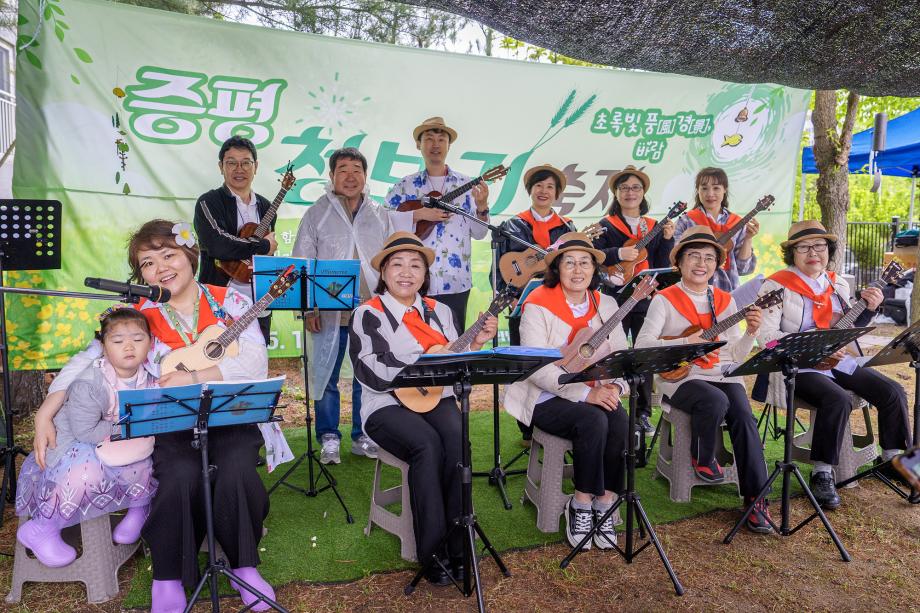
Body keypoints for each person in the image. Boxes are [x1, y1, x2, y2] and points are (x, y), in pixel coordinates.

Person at [32, 220, 277, 613]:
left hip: (230, 414)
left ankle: (244, 567)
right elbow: (88, 359)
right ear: (141, 274)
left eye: (168, 255)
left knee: (236, 468)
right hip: (169, 421)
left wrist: (193, 376)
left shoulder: (228, 300)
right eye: (148, 263)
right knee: (178, 475)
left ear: (190, 256)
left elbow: (254, 361)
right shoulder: (140, 314)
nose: (161, 268)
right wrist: (46, 410)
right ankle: (168, 576)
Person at [349, 231, 497, 585]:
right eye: (397, 264)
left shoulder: (440, 311)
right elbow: (370, 370)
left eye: (415, 265)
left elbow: (456, 362)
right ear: (383, 272)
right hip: (384, 403)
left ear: (425, 274)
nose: (406, 272)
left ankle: (459, 546)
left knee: (458, 442)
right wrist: (422, 365)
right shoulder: (368, 313)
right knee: (426, 446)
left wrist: (475, 343)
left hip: (436, 397)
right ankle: (433, 553)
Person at [757, 220, 911, 509]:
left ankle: (892, 458)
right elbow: (766, 337)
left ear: (828, 250)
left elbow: (848, 326)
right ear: (792, 253)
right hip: (795, 365)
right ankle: (823, 472)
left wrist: (870, 309)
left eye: (819, 246)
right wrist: (809, 343)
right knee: (837, 399)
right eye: (804, 247)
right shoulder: (776, 285)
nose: (813, 252)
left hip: (837, 361)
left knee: (893, 392)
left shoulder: (836, 282)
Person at [634, 226, 773, 533]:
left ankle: (756, 498)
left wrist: (750, 333)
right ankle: (703, 455)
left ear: (716, 265)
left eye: (709, 258)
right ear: (680, 262)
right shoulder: (664, 299)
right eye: (694, 256)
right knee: (715, 399)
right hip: (680, 376)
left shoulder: (724, 300)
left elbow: (734, 355)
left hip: (721, 373)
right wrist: (687, 342)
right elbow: (642, 346)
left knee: (744, 416)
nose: (701, 263)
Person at [503, 232, 630, 551]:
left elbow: (620, 354)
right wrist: (586, 396)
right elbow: (537, 367)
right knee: (593, 420)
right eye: (569, 262)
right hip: (545, 397)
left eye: (585, 263)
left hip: (596, 389)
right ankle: (581, 503)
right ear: (557, 268)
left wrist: (615, 386)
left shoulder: (606, 304)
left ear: (594, 269)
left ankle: (605, 501)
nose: (577, 270)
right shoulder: (537, 303)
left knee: (619, 419)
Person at [292, 147, 413, 464]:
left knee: (368, 375)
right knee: (326, 375)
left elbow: (392, 261)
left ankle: (364, 435)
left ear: (365, 175)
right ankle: (328, 436)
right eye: (342, 169)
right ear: (331, 176)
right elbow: (302, 261)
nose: (350, 176)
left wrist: (392, 303)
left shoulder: (379, 214)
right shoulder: (316, 214)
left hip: (371, 310)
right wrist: (309, 308)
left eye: (356, 169)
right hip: (328, 311)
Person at [16, 307, 158, 567]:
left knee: (143, 460)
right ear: (103, 347)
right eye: (118, 341)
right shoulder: (91, 383)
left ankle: (140, 508)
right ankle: (43, 527)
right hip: (79, 442)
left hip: (118, 438)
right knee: (83, 473)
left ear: (150, 343)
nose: (129, 347)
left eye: (138, 339)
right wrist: (128, 428)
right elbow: (86, 432)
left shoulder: (149, 377)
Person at [494, 163, 576, 442]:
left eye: (550, 186)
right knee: (525, 364)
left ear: (557, 193)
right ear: (530, 190)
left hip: (557, 307)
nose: (544, 191)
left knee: (558, 359)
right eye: (539, 185)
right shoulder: (512, 226)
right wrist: (508, 295)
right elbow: (499, 266)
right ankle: (527, 427)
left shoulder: (567, 227)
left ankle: (560, 416)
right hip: (522, 305)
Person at [384, 116, 491, 332]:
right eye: (429, 139)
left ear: (449, 146)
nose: (436, 145)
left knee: (454, 340)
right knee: (415, 340)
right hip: (413, 280)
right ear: (419, 145)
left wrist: (482, 206)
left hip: (456, 280)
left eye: (441, 140)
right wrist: (418, 214)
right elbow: (384, 222)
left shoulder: (466, 185)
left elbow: (480, 233)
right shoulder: (404, 186)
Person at [592, 165, 675, 434]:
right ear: (616, 193)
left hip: (646, 298)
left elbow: (663, 263)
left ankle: (643, 412)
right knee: (611, 353)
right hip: (613, 298)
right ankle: (609, 403)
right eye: (624, 188)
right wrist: (618, 253)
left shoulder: (653, 226)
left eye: (636, 187)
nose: (630, 192)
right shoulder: (604, 225)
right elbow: (595, 257)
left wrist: (668, 240)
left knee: (644, 355)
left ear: (643, 192)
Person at [194, 135, 279, 344]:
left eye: (246, 163)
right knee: (216, 356)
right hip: (219, 301)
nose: (239, 169)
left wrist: (265, 250)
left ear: (256, 166)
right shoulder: (209, 202)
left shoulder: (266, 206)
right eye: (231, 163)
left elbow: (266, 257)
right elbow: (218, 245)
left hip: (259, 302)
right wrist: (263, 245)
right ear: (221, 167)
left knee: (257, 355)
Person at [673, 167, 759, 292]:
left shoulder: (736, 223)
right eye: (704, 188)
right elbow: (675, 260)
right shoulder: (686, 221)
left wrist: (748, 238)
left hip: (728, 292)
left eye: (716, 188)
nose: (710, 194)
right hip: (691, 292)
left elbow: (743, 269)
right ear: (698, 190)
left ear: (725, 189)